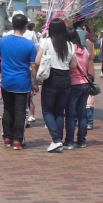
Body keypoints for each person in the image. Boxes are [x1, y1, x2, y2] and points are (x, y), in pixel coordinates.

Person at [33, 18, 78, 153]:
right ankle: (58, 140)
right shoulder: (70, 44)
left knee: (47, 111)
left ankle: (56, 140)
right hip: (66, 79)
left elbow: (37, 61)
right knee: (59, 111)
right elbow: (74, 65)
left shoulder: (47, 42)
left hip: (51, 79)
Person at [0, 13, 37, 150]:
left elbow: (2, 57)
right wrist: (35, 83)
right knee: (20, 112)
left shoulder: (3, 41)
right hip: (22, 82)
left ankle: (7, 137)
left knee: (8, 110)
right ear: (25, 26)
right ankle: (17, 140)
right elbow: (33, 66)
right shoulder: (29, 45)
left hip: (7, 81)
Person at [65, 32, 93, 149]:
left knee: (71, 114)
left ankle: (69, 141)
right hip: (85, 83)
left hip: (74, 84)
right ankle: (81, 140)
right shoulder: (85, 50)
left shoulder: (69, 50)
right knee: (82, 113)